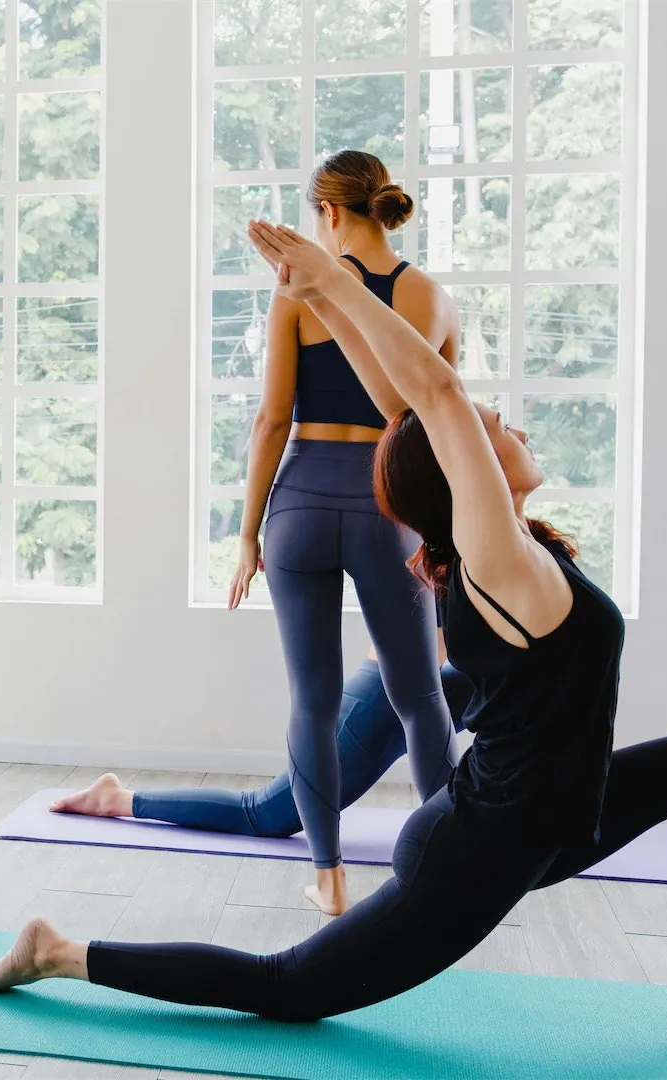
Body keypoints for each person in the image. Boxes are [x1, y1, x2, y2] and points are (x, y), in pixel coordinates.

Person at [0, 220, 667, 1052]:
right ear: (467, 473)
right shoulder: (499, 564)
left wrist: (336, 296)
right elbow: (436, 400)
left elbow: (407, 410)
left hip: (556, 819)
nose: (503, 423)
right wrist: (330, 284)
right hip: (477, 852)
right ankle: (61, 952)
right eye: (491, 428)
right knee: (291, 990)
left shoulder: (494, 550)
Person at [222, 150, 460, 913]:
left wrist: (247, 534)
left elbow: (270, 421)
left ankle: (326, 875)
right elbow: (434, 424)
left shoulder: (296, 292)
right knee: (420, 695)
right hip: (385, 509)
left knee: (313, 698)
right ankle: (451, 861)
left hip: (297, 502)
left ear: (326, 213)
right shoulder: (430, 296)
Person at [53, 656, 473, 844]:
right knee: (264, 815)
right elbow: (421, 670)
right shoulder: (450, 537)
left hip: (423, 696)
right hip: (381, 704)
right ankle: (117, 799)